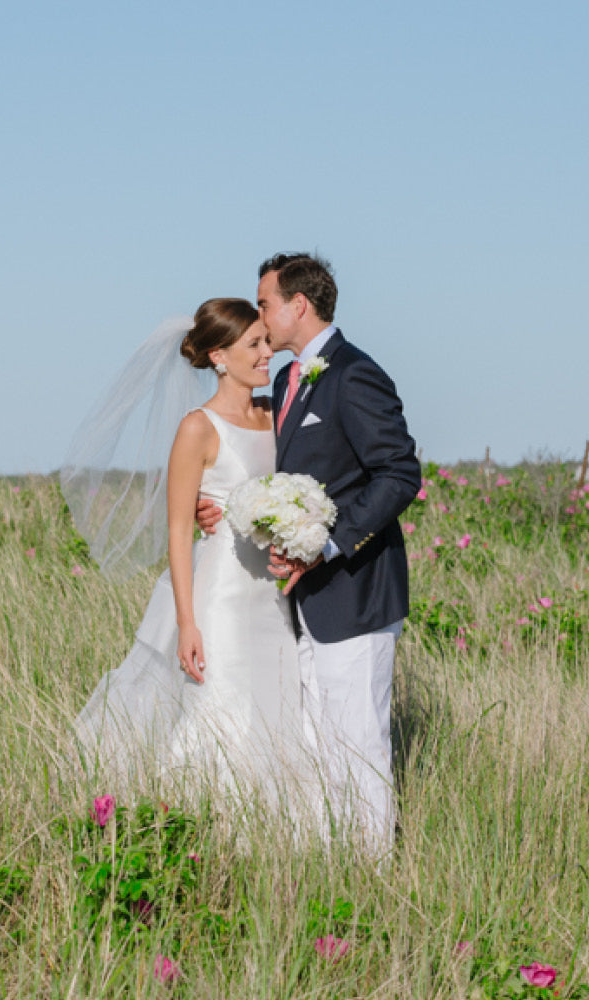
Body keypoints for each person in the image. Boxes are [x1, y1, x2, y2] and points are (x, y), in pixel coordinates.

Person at [198, 254, 420, 853]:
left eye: (265, 304)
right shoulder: (283, 382)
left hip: (356, 591)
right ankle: (333, 865)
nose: (261, 317)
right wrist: (226, 503)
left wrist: (328, 542)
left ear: (300, 305)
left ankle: (372, 871)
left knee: (359, 742)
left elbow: (399, 473)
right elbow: (277, 471)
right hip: (303, 599)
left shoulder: (354, 373)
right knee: (320, 744)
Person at [67, 299, 305, 807]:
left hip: (275, 593)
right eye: (255, 345)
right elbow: (179, 533)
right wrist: (187, 622)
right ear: (219, 357)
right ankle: (209, 818)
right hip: (220, 593)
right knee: (224, 704)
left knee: (276, 704)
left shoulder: (274, 415)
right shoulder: (197, 428)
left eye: (267, 341)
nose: (268, 354)